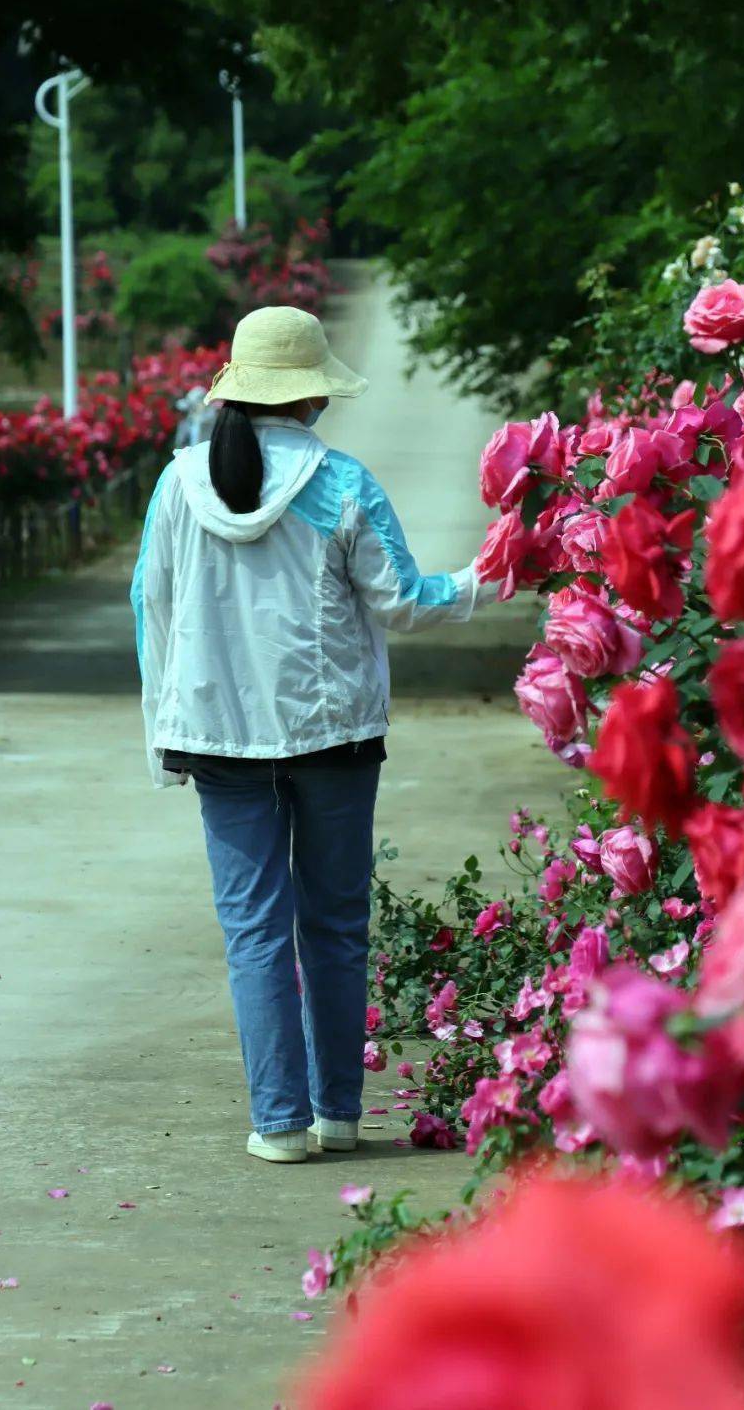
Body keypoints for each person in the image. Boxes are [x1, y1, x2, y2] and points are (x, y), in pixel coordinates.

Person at [130, 305, 499, 1163]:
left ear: (237, 392)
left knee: (254, 931)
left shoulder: (178, 484)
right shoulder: (343, 483)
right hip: (332, 738)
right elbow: (406, 602)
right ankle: (338, 1115)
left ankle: (280, 1125)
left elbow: (152, 608)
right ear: (311, 398)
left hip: (218, 740)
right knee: (334, 927)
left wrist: (164, 734)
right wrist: (489, 576)